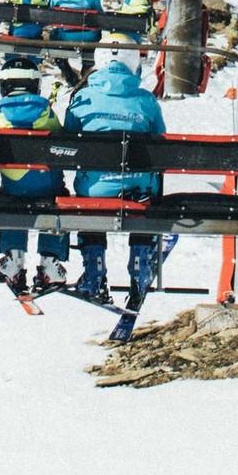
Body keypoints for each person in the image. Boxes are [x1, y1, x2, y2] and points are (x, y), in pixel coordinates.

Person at [65, 56, 167, 303]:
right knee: (146, 195)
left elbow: (66, 140)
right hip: (139, 186)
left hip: (95, 189)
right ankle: (141, 262)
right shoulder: (146, 100)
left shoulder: (83, 98)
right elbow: (161, 138)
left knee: (89, 201)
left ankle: (94, 271)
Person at [0, 63, 71, 296]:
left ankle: (13, 257)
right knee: (58, 198)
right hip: (48, 188)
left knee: (11, 199)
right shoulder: (46, 115)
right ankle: (50, 260)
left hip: (14, 189)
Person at [46, 0, 103, 88]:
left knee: (53, 36)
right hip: (88, 37)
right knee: (95, 36)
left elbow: (49, 11)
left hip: (65, 36)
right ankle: (86, 70)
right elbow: (100, 14)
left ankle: (68, 73)